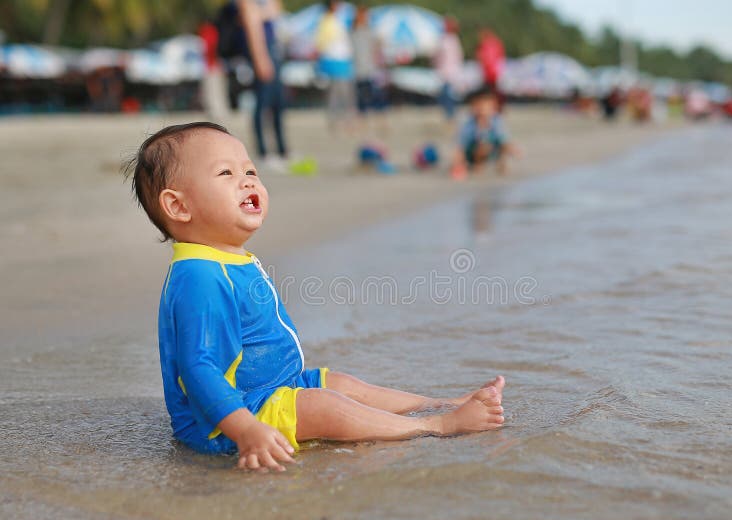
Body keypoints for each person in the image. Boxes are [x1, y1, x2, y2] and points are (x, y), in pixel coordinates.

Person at [125, 122, 506, 470]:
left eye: (250, 171)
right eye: (226, 173)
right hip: (223, 422)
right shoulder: (199, 276)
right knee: (323, 405)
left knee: (339, 385)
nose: (247, 181)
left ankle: (440, 403)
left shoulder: (222, 257)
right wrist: (245, 430)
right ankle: (439, 425)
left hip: (274, 388)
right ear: (178, 205)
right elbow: (199, 369)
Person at [237, 0, 289, 173]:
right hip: (262, 53)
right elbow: (253, 28)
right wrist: (261, 59)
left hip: (273, 51)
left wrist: (264, 12)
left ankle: (282, 150)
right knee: (263, 104)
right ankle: (264, 152)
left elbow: (276, 9)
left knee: (278, 103)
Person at [451, 86, 518, 179]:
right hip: (473, 153)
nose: (481, 109)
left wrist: (512, 149)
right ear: (472, 107)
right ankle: (478, 165)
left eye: (484, 106)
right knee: (483, 145)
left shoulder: (496, 121)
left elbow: (504, 138)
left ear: (493, 106)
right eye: (477, 106)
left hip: (493, 149)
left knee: (503, 143)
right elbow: (461, 146)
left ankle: (501, 163)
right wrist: (457, 164)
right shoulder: (469, 125)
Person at [315, 0, 356, 132]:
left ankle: (345, 119)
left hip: (342, 60)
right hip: (334, 60)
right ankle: (336, 120)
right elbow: (321, 42)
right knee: (337, 93)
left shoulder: (341, 18)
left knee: (344, 92)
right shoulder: (327, 20)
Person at [351, 5, 387, 127]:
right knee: (361, 94)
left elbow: (377, 46)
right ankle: (363, 117)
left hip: (369, 68)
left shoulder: (368, 31)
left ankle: (373, 115)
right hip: (358, 68)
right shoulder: (354, 32)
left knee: (370, 93)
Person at [434, 16, 464, 122]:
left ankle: (450, 116)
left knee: (448, 96)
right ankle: (450, 115)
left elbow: (438, 57)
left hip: (449, 73)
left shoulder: (447, 39)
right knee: (448, 96)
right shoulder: (450, 39)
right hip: (447, 73)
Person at [476, 28, 505, 110]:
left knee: (491, 92)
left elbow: (486, 59)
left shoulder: (487, 44)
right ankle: (496, 107)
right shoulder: (495, 42)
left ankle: (494, 107)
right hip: (494, 71)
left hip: (490, 72)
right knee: (494, 91)